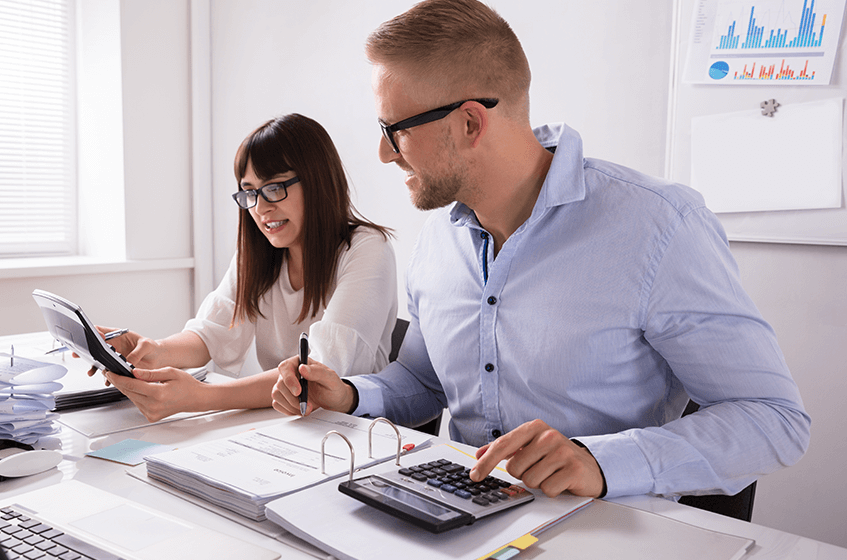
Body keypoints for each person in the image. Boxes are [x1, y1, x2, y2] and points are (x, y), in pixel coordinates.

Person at [274, 0, 809, 501]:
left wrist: (599, 461)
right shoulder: (439, 239)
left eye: (395, 130)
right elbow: (424, 381)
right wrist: (347, 395)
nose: (384, 153)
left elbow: (774, 418)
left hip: (605, 531)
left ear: (469, 123)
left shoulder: (660, 227)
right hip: (458, 518)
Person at [97, 113, 397, 422]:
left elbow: (321, 370)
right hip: (287, 425)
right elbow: (211, 333)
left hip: (354, 435)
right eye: (250, 192)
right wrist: (151, 350)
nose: (261, 208)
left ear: (318, 179)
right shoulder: (259, 251)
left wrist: (200, 397)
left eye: (275, 187)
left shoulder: (367, 248)